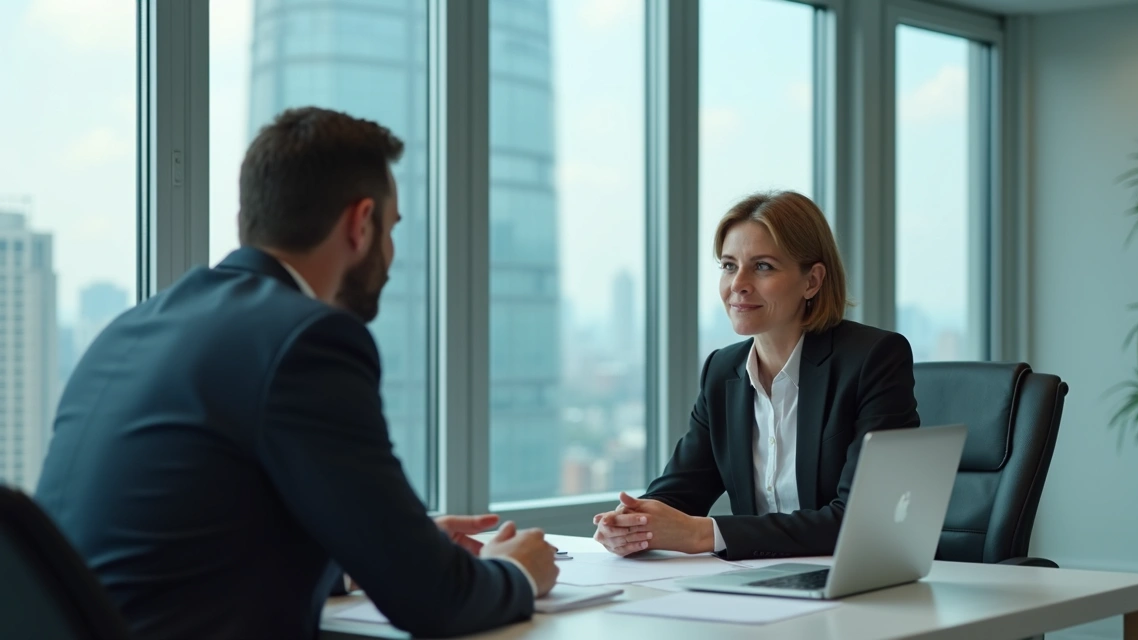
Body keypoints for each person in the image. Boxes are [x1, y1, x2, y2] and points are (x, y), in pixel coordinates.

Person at [34, 107, 557, 639]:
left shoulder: (134, 326)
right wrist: (516, 570)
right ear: (361, 224)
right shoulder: (307, 340)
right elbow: (435, 603)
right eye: (392, 228)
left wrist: (377, 554)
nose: (392, 255)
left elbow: (188, 552)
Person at [592, 190, 920, 561]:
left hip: (852, 583)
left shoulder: (873, 359)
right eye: (729, 266)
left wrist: (706, 533)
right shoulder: (723, 371)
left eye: (762, 266)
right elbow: (681, 489)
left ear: (811, 281)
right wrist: (634, 522)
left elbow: (862, 520)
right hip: (755, 584)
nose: (738, 284)